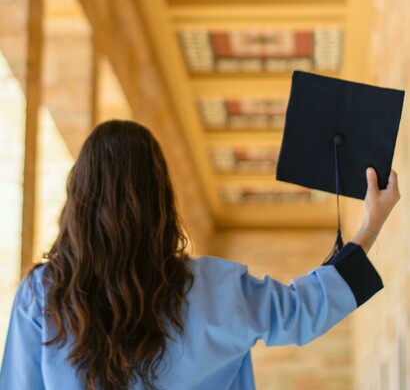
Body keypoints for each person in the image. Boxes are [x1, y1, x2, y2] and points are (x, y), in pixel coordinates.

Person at [0, 120, 400, 390]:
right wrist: (370, 226)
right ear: (159, 198)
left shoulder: (42, 296)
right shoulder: (216, 288)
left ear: (80, 198)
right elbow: (304, 310)